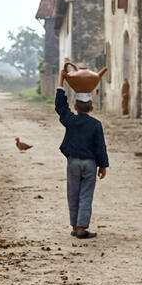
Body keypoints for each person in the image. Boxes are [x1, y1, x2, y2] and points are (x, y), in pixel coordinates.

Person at [55, 69, 109, 239]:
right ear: (92, 108)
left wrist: (61, 82)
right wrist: (103, 166)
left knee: (73, 194)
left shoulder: (70, 120)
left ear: (75, 107)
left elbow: (60, 107)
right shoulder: (96, 125)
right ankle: (81, 228)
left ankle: (74, 225)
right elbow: (100, 147)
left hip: (73, 163)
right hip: (90, 164)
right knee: (86, 194)